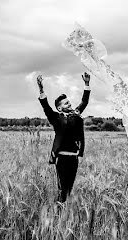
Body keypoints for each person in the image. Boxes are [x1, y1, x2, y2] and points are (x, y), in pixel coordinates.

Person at [35, 72, 91, 204]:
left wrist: (87, 84)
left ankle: (64, 212)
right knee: (62, 188)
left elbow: (84, 102)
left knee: (69, 188)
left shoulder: (76, 114)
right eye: (66, 104)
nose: (69, 104)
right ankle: (59, 212)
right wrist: (41, 89)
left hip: (73, 157)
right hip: (62, 158)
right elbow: (46, 107)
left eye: (69, 102)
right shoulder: (56, 118)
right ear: (60, 108)